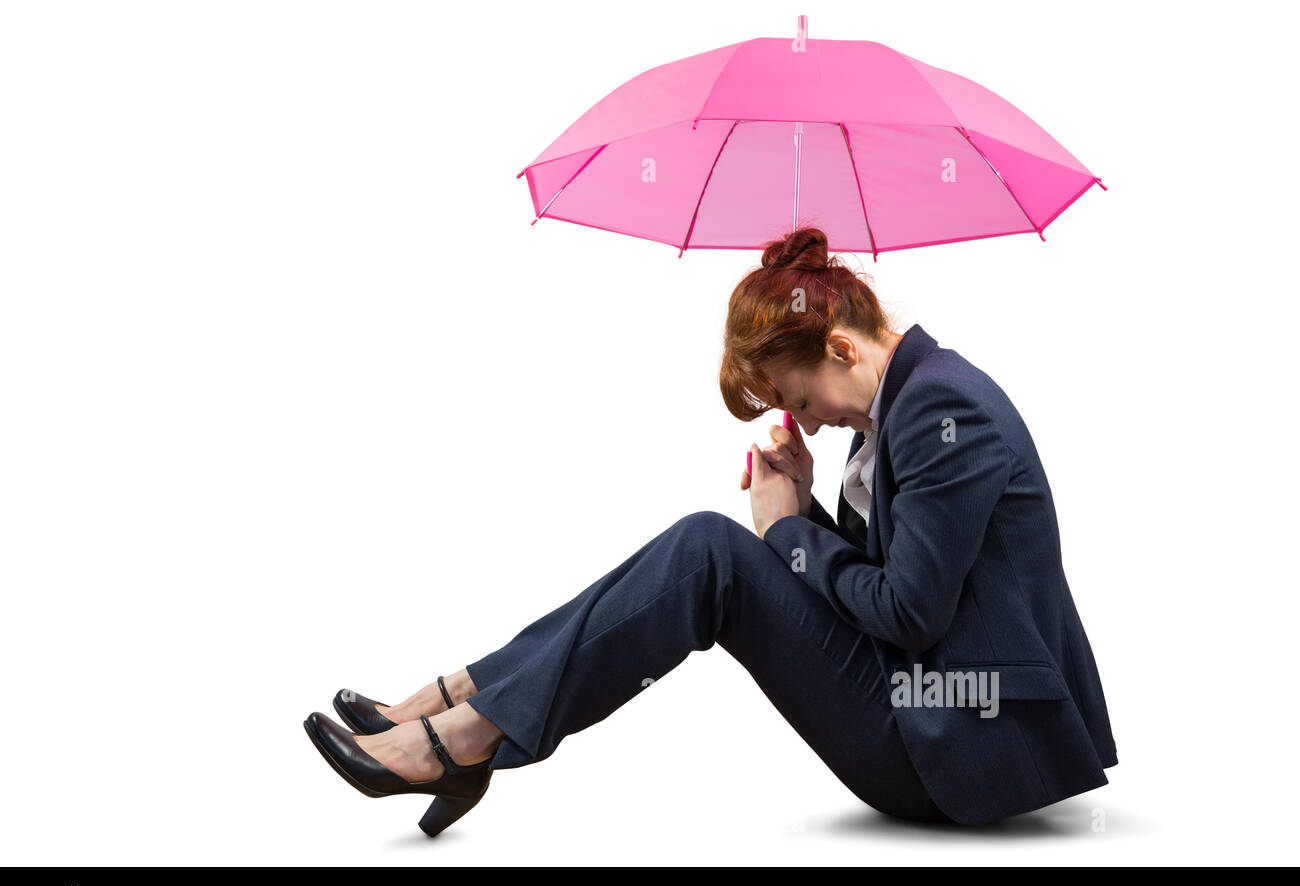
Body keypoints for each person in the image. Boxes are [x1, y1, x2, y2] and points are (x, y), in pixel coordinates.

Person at [303, 227, 1118, 838]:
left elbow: (909, 613)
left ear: (838, 345)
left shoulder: (945, 407)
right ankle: (460, 706)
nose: (806, 423)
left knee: (710, 550)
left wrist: (784, 533)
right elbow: (899, 577)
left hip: (963, 738)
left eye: (797, 400)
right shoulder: (905, 407)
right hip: (930, 703)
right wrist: (803, 502)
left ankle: (465, 733)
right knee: (707, 549)